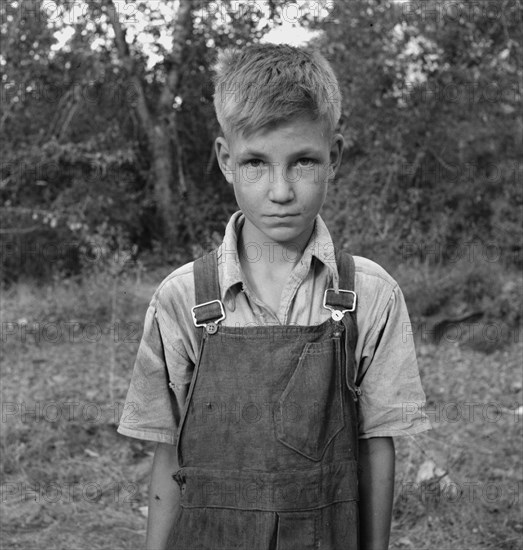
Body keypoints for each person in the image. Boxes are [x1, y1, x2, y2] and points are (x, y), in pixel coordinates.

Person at [118, 43, 430, 550]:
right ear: (225, 160)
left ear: (335, 158)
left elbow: (377, 448)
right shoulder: (181, 299)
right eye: (256, 163)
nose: (281, 190)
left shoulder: (370, 295)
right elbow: (169, 458)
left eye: (303, 162)